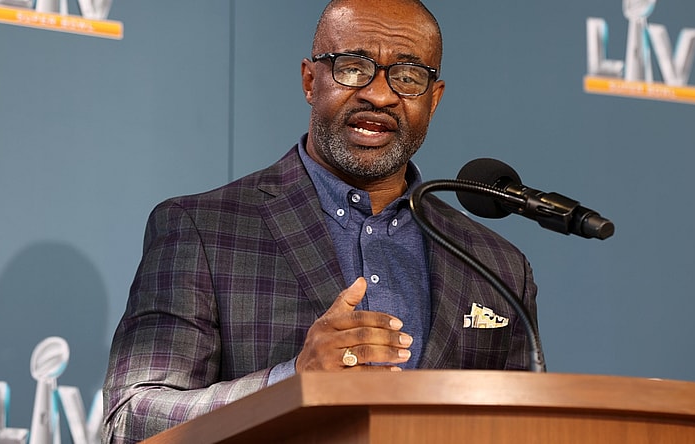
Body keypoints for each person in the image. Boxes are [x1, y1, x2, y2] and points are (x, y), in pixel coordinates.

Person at [102, 0, 541, 442]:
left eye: (408, 77)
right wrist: (293, 381)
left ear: (434, 98)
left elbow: (526, 428)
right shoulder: (202, 230)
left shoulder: (498, 267)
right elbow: (131, 420)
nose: (380, 95)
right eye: (353, 68)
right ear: (310, 81)